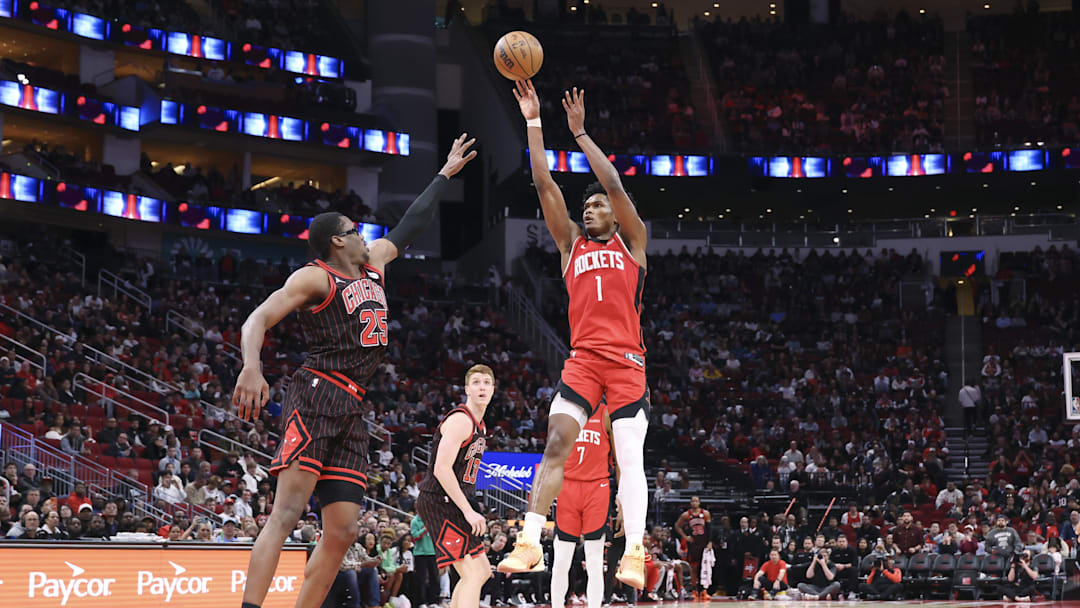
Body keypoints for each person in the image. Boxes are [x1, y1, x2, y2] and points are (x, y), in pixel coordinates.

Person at [232, 133, 476, 608]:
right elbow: (257, 317)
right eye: (356, 229)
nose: (367, 234)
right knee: (285, 514)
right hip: (317, 393)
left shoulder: (376, 265)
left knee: (342, 530)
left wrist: (445, 173)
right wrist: (250, 366)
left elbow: (412, 224)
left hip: (353, 406)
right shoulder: (315, 276)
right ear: (338, 240)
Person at [498, 80, 651, 591]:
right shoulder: (570, 248)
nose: (590, 209)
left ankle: (633, 550)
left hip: (628, 361)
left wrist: (582, 135)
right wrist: (534, 121)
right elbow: (544, 185)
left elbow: (616, 187)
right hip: (583, 361)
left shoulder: (633, 244)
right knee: (556, 443)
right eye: (586, 207)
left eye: (597, 206)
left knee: (629, 454)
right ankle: (528, 540)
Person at [415, 365, 495, 608]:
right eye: (476, 382)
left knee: (481, 572)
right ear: (467, 389)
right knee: (471, 574)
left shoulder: (480, 425)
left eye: (487, 383)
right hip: (439, 501)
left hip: (454, 501)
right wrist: (468, 511)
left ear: (493, 389)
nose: (482, 387)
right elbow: (441, 469)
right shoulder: (461, 420)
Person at [552, 404, 615, 608]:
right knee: (561, 560)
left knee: (595, 561)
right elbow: (552, 454)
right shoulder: (564, 409)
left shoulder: (605, 413)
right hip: (567, 486)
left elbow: (619, 456)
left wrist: (623, 492)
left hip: (597, 486)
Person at [674, 496, 712, 599]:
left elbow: (710, 530)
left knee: (705, 567)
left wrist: (710, 542)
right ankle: (694, 590)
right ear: (690, 503)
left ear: (699, 503)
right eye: (693, 501)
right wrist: (685, 537)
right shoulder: (686, 514)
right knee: (693, 568)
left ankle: (704, 590)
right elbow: (677, 526)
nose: (694, 503)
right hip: (693, 544)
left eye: (696, 501)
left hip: (704, 543)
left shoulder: (705, 513)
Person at [410, 513, 439, 608]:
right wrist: (425, 529)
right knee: (421, 579)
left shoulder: (433, 520)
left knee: (434, 577)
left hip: (432, 553)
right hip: (420, 553)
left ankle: (433, 601)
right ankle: (421, 602)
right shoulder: (415, 521)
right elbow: (415, 536)